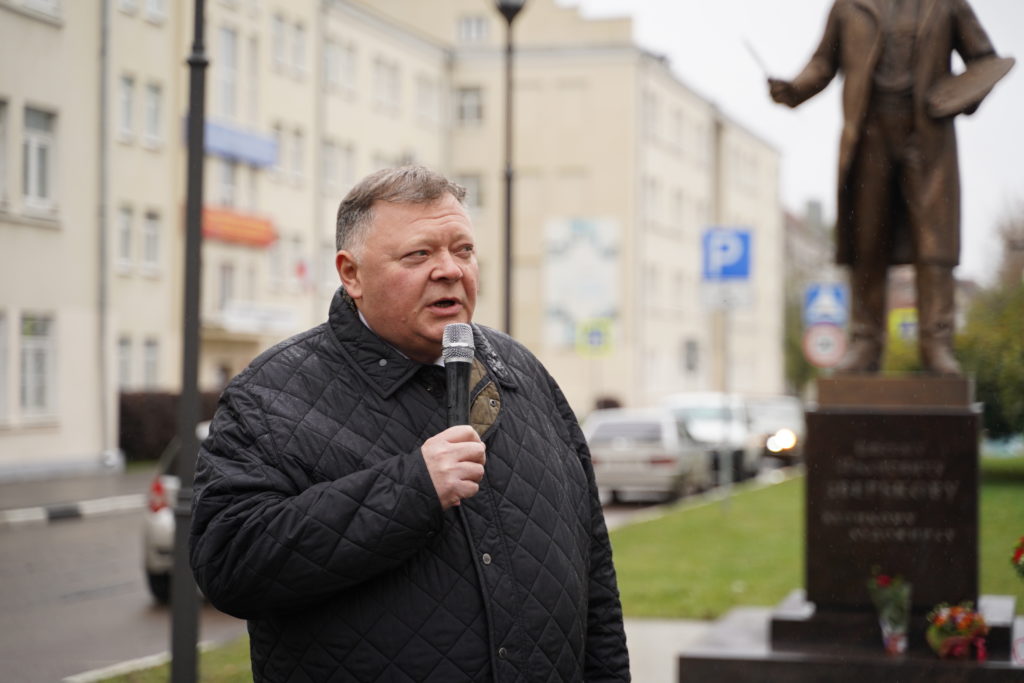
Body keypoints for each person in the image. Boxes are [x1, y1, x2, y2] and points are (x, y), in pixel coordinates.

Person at [189, 165, 631, 682]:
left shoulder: (521, 375)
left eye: (462, 250)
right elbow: (230, 565)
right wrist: (412, 489)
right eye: (419, 255)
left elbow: (594, 576)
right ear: (351, 274)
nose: (449, 270)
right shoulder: (270, 398)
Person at [768, 0, 1011, 374]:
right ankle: (866, 342)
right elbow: (823, 62)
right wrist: (794, 88)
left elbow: (985, 61)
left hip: (927, 137)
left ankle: (936, 345)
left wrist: (960, 95)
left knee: (935, 245)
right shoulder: (848, 6)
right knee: (868, 241)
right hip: (869, 134)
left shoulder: (947, 4)